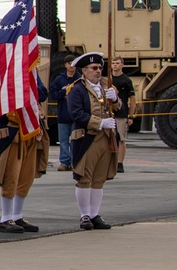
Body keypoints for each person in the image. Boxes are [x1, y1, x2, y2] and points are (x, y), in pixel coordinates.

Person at [0, 73, 49, 234]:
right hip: (11, 131)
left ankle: (17, 215)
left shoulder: (30, 71)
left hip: (29, 129)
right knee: (10, 174)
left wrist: (26, 86)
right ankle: (5, 218)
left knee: (25, 176)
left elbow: (42, 92)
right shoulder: (1, 69)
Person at [67, 52, 121, 230]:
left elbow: (119, 107)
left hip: (107, 137)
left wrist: (116, 99)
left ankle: (95, 214)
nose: (98, 71)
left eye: (100, 68)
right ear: (85, 70)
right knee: (84, 178)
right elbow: (76, 114)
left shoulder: (108, 85)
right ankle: (84, 215)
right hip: (87, 137)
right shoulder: (77, 89)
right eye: (94, 68)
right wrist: (99, 123)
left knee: (99, 179)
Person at [49, 54, 80, 171]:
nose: (71, 66)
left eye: (73, 63)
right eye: (69, 63)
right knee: (63, 140)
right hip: (63, 114)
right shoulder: (59, 79)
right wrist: (63, 91)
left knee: (75, 140)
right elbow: (53, 94)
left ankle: (74, 161)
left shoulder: (80, 79)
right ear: (65, 65)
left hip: (76, 115)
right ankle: (64, 161)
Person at [110, 56, 135, 173]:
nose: (115, 65)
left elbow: (132, 99)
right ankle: (110, 161)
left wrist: (131, 115)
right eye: (113, 63)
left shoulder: (126, 80)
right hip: (109, 113)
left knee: (121, 138)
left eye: (117, 63)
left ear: (122, 65)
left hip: (121, 113)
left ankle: (120, 163)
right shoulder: (108, 80)